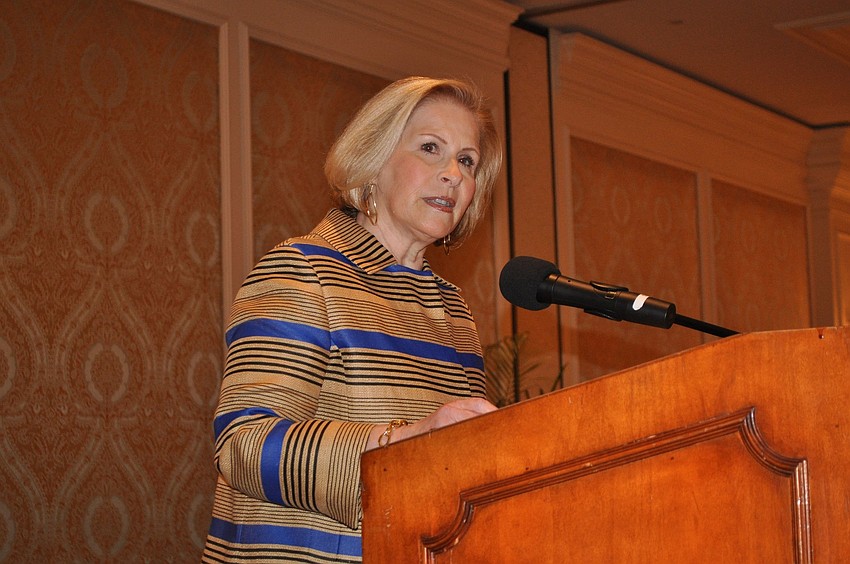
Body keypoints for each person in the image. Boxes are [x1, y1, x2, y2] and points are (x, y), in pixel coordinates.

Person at [202, 76, 503, 563]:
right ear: (373, 160)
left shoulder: (454, 316)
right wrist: (401, 443)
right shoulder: (304, 271)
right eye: (431, 148)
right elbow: (245, 444)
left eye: (467, 161)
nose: (454, 173)